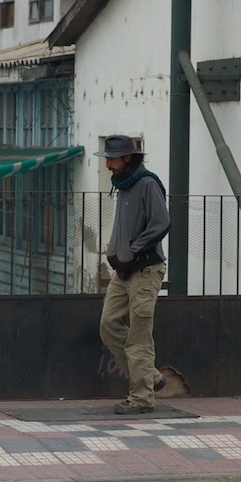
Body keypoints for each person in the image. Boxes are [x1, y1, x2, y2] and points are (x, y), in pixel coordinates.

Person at [95, 135, 171, 415]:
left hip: (144, 269)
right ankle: (150, 377)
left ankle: (141, 398)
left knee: (139, 337)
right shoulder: (125, 183)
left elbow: (161, 223)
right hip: (125, 269)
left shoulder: (147, 183)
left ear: (127, 158)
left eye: (111, 159)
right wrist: (118, 253)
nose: (108, 165)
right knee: (108, 325)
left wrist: (131, 252)